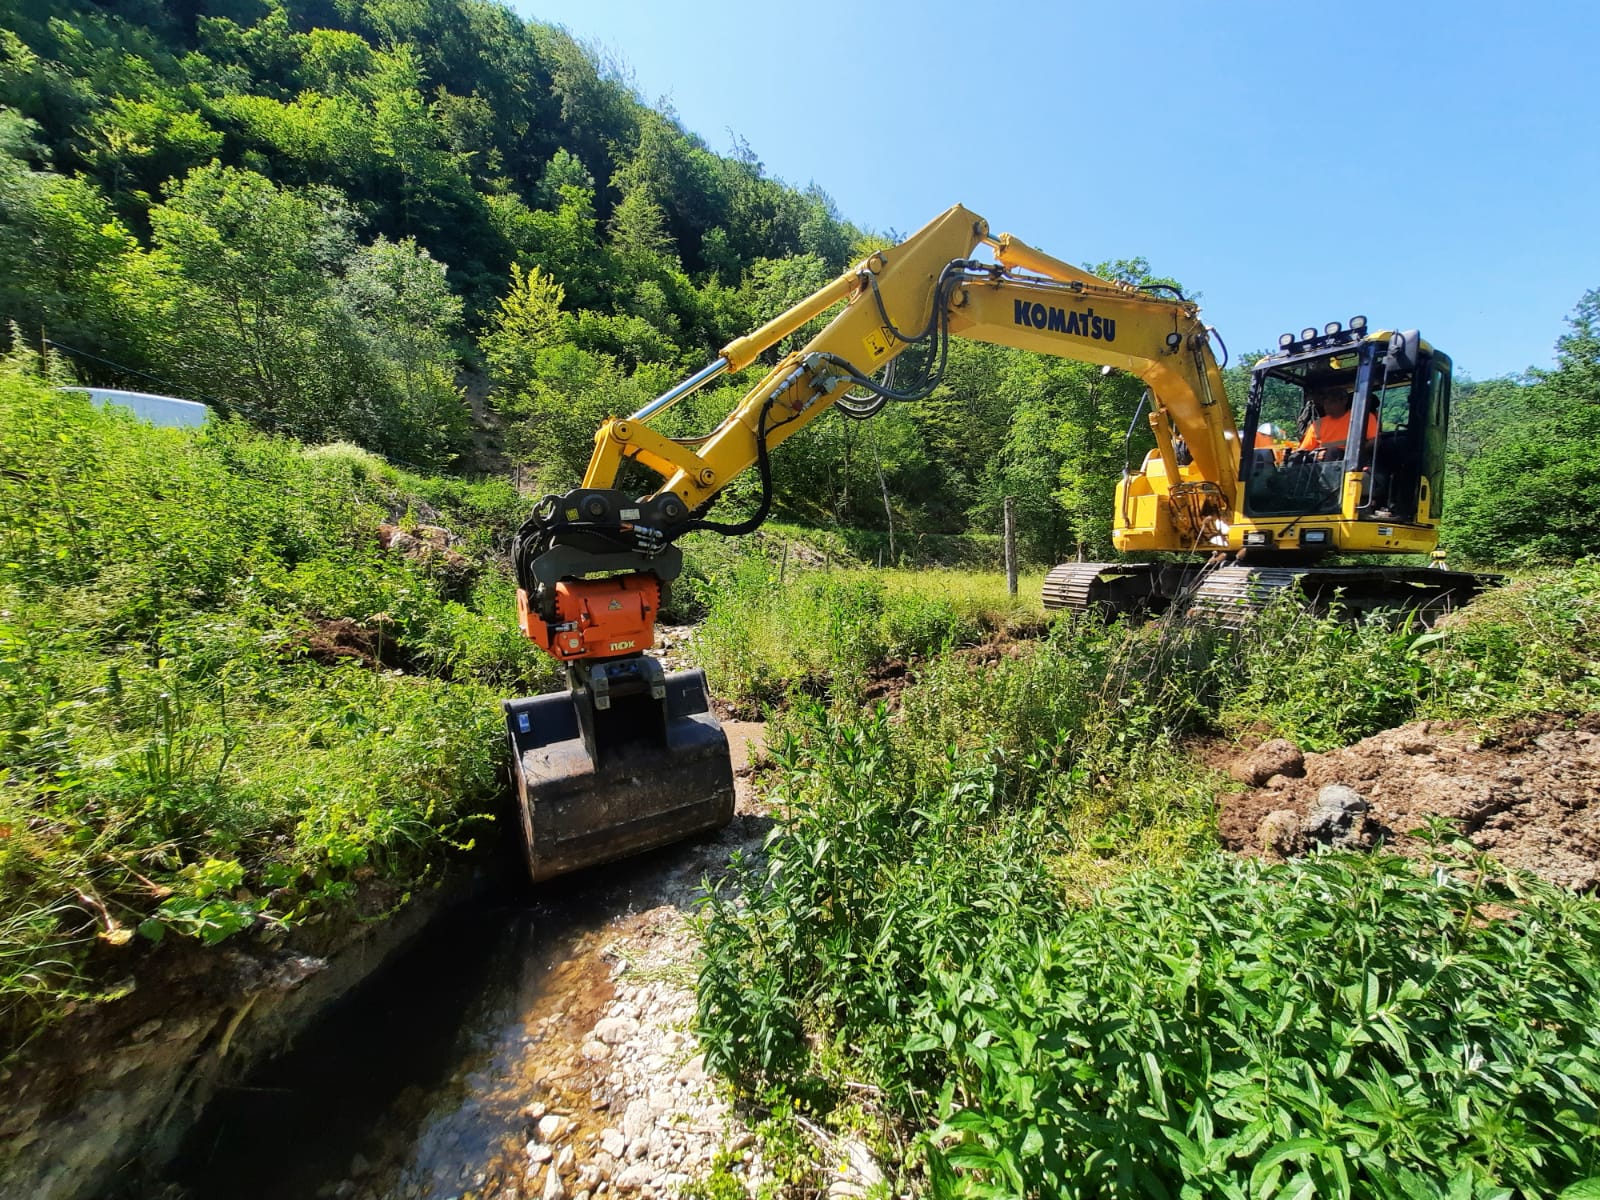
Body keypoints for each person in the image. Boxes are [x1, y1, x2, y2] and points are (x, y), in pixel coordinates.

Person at [1299, 386, 1378, 454]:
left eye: (1331, 401)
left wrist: (1352, 452)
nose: (1327, 405)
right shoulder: (1316, 425)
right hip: (1320, 464)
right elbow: (1305, 449)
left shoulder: (1362, 418)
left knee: (1333, 452)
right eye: (1325, 402)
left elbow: (1373, 441)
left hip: (1351, 462)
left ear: (1344, 401)